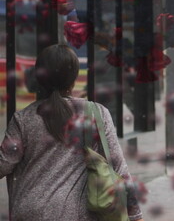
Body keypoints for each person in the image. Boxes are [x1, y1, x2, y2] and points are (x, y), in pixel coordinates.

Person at [0, 44, 144, 221]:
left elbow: (3, 165)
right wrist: (136, 216)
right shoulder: (95, 113)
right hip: (77, 214)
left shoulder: (23, 118)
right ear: (74, 77)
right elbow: (118, 168)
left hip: (30, 212)